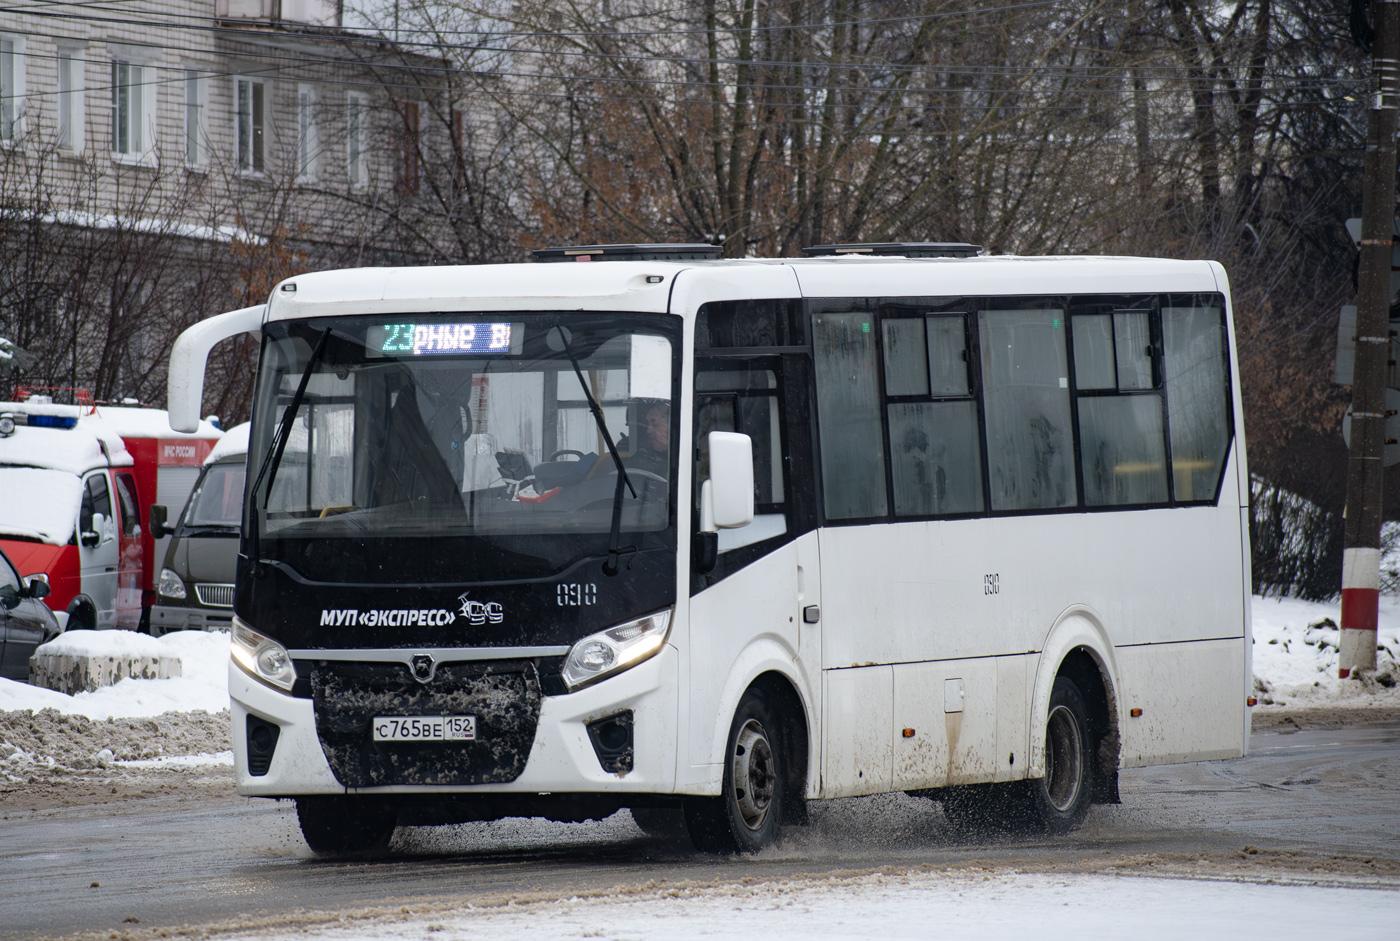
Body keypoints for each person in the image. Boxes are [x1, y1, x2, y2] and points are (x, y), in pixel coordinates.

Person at [626, 402, 670, 477]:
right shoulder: (641, 459)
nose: (648, 430)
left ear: (671, 426)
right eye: (648, 424)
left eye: (655, 424)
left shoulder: (688, 462)